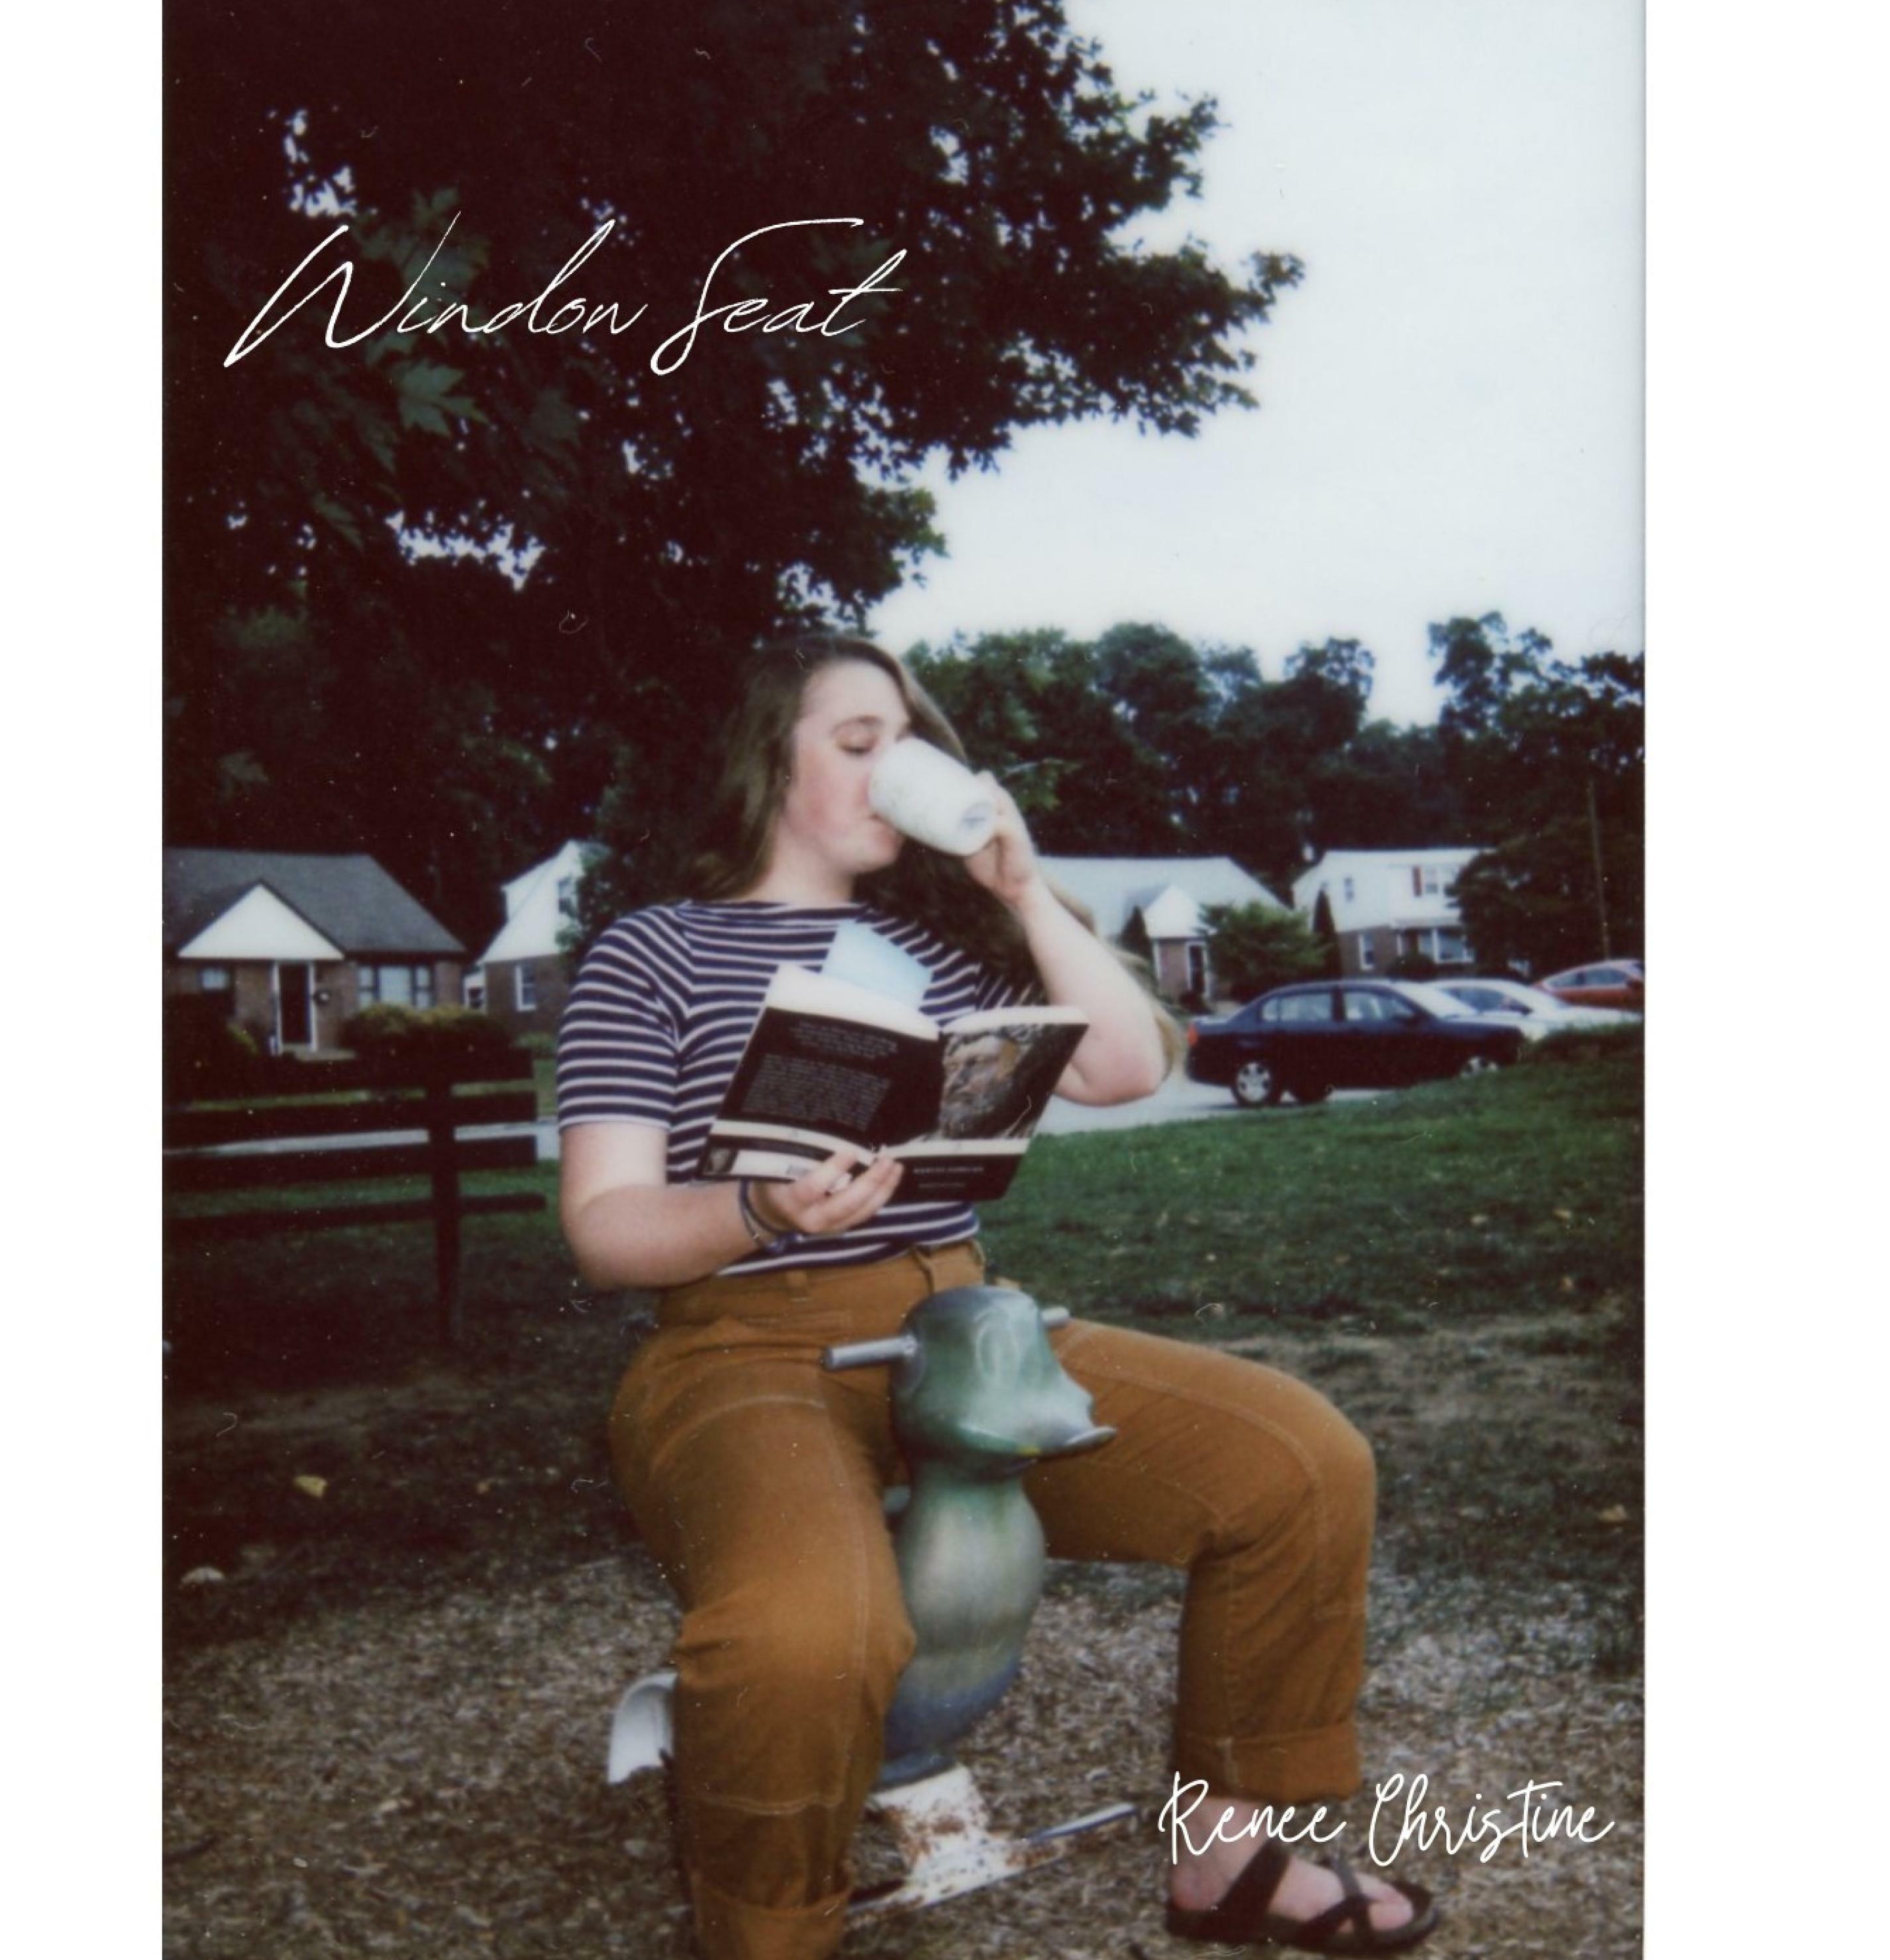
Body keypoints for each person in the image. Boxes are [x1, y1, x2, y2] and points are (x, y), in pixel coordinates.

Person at [557, 635, 1437, 1960]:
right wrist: (760, 1208)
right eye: (856, 743)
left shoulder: (939, 950)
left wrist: (1026, 894)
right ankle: (768, 1933)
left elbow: (1128, 1068)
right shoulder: (653, 953)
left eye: (905, 745)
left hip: (967, 1330)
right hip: (744, 1345)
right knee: (807, 1632)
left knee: (1299, 1465)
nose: (891, 770)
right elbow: (605, 1227)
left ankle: (1226, 1854)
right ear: (763, 763)